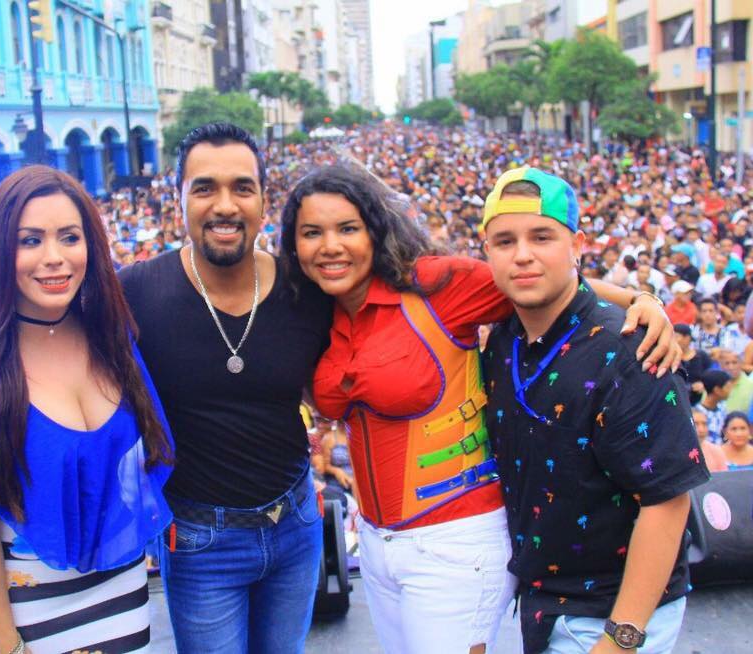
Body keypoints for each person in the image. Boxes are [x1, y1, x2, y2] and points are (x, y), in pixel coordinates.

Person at [279, 161, 677, 654]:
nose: (330, 245)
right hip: (378, 544)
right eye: (311, 233)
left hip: (455, 542)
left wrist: (641, 299)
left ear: (375, 231)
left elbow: (542, 280)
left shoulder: (434, 284)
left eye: (347, 229)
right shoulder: (317, 308)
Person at [0, 165, 173, 654]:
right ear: (0, 251)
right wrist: (4, 641)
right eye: (31, 240)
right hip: (19, 592)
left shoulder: (113, 339)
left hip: (116, 575)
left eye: (69, 237)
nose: (54, 257)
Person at [119, 123, 333, 654]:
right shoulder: (136, 292)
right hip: (199, 542)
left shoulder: (304, 291)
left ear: (263, 200)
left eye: (242, 188)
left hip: (296, 524)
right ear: (178, 200)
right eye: (204, 188)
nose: (225, 205)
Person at [480, 166, 710, 654]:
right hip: (540, 603)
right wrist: (639, 294)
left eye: (542, 236)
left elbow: (667, 500)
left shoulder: (631, 350)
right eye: (505, 241)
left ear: (577, 244)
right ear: (487, 252)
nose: (522, 254)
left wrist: (621, 639)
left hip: (610, 613)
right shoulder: (504, 338)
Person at [695, 370, 733, 443]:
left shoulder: (722, 409)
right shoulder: (697, 412)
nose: (730, 390)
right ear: (717, 390)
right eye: (727, 387)